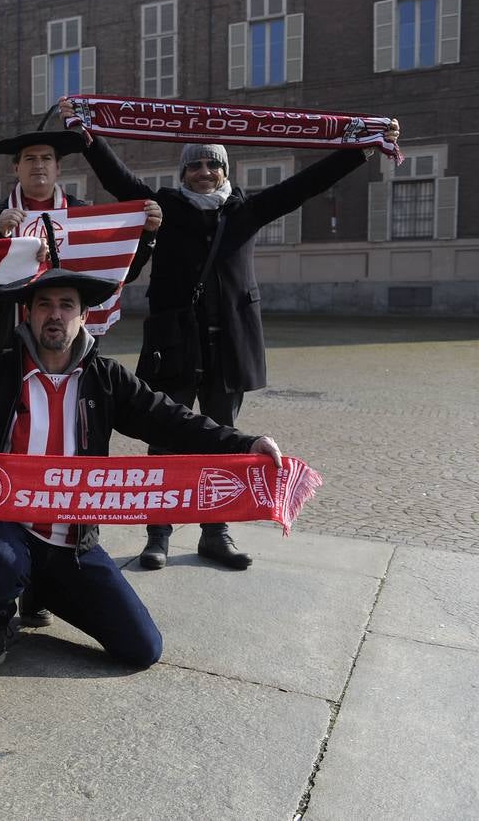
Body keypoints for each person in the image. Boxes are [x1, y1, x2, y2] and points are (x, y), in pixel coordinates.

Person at [58, 96, 399, 572]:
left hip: (228, 347)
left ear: (224, 170)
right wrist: (86, 135)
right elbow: (118, 180)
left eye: (211, 164)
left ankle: (215, 533)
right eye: (194, 164)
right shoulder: (166, 208)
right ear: (183, 173)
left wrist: (359, 150)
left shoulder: (245, 211)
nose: (202, 171)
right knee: (165, 444)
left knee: (225, 442)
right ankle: (158, 535)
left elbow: (303, 186)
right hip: (174, 346)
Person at [0, 268, 284, 667]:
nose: (55, 315)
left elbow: (173, 421)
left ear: (83, 316)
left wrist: (244, 443)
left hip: (73, 538)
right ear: (28, 315)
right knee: (1, 561)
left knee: (142, 649)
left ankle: (41, 587)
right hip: (6, 524)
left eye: (66, 305)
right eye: (44, 305)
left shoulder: (106, 379)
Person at [0, 130, 162, 351]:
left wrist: (147, 234)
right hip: (8, 336)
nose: (38, 165)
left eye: (46, 158)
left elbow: (119, 273)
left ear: (58, 168)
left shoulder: (84, 216)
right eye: (30, 158)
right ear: (16, 168)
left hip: (71, 339)